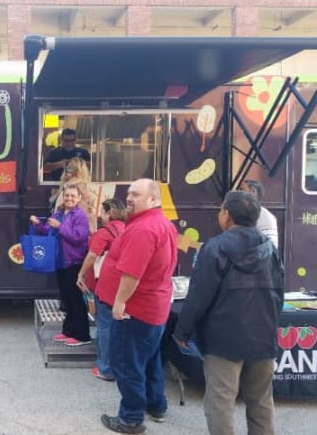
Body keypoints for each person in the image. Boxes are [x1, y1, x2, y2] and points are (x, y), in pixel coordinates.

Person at [173, 190, 284, 435]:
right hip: (263, 336)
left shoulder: (215, 247)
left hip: (223, 339)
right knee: (261, 400)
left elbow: (199, 295)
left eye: (221, 209)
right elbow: (278, 294)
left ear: (227, 215)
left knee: (220, 402)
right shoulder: (270, 249)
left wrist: (182, 331)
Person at [97, 178, 177, 434]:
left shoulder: (143, 229)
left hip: (136, 310)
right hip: (153, 308)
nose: (129, 198)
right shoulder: (161, 223)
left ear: (153, 199)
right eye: (129, 193)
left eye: (136, 194)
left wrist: (119, 302)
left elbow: (132, 272)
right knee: (150, 359)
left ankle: (131, 418)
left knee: (127, 365)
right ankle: (156, 406)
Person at [30, 183, 91, 346]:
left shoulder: (80, 216)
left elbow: (78, 238)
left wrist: (60, 226)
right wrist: (38, 224)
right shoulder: (59, 213)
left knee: (76, 300)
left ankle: (82, 335)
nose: (69, 198)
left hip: (74, 262)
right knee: (67, 299)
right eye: (67, 195)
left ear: (79, 198)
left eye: (73, 196)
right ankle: (68, 331)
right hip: (60, 261)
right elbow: (47, 231)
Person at [76, 198, 126, 382]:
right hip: (124, 285)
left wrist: (81, 273)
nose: (100, 215)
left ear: (109, 213)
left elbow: (92, 256)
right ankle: (118, 365)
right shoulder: (127, 229)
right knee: (119, 327)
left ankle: (105, 368)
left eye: (102, 212)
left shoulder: (105, 232)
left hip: (105, 284)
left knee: (104, 326)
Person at [50, 157, 97, 232]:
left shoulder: (69, 189)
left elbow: (58, 212)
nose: (68, 170)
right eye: (68, 167)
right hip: (84, 231)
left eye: (72, 168)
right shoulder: (86, 189)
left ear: (79, 171)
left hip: (69, 231)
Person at [241, 179, 278, 249]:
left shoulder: (258, 214)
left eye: (242, 190)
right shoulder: (265, 214)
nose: (239, 194)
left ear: (253, 192)